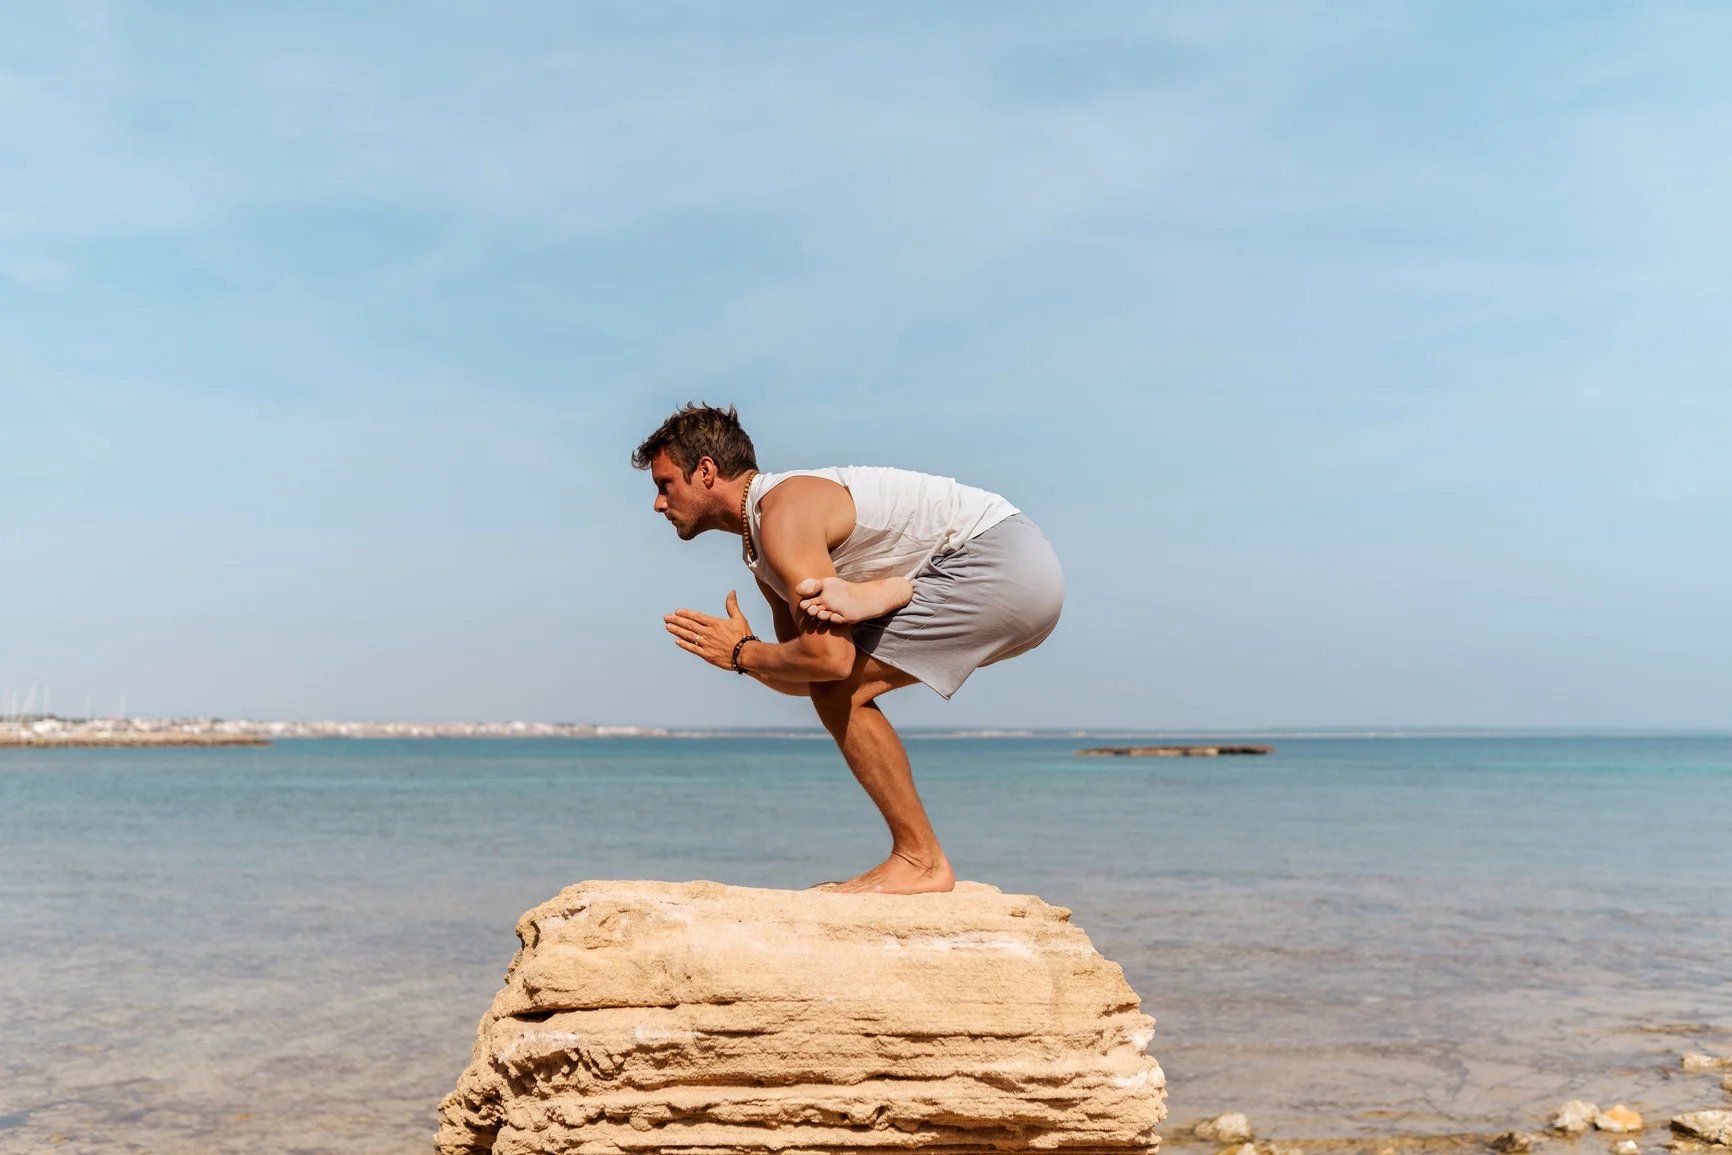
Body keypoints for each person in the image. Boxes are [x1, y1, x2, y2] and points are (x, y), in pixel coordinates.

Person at [635, 403, 1064, 894]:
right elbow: (809, 675)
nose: (659, 503)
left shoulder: (783, 517)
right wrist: (744, 656)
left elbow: (828, 663)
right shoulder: (763, 544)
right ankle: (891, 591)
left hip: (995, 562)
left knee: (839, 682)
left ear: (706, 471)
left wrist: (742, 654)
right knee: (835, 686)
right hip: (1019, 571)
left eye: (664, 484)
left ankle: (920, 859)